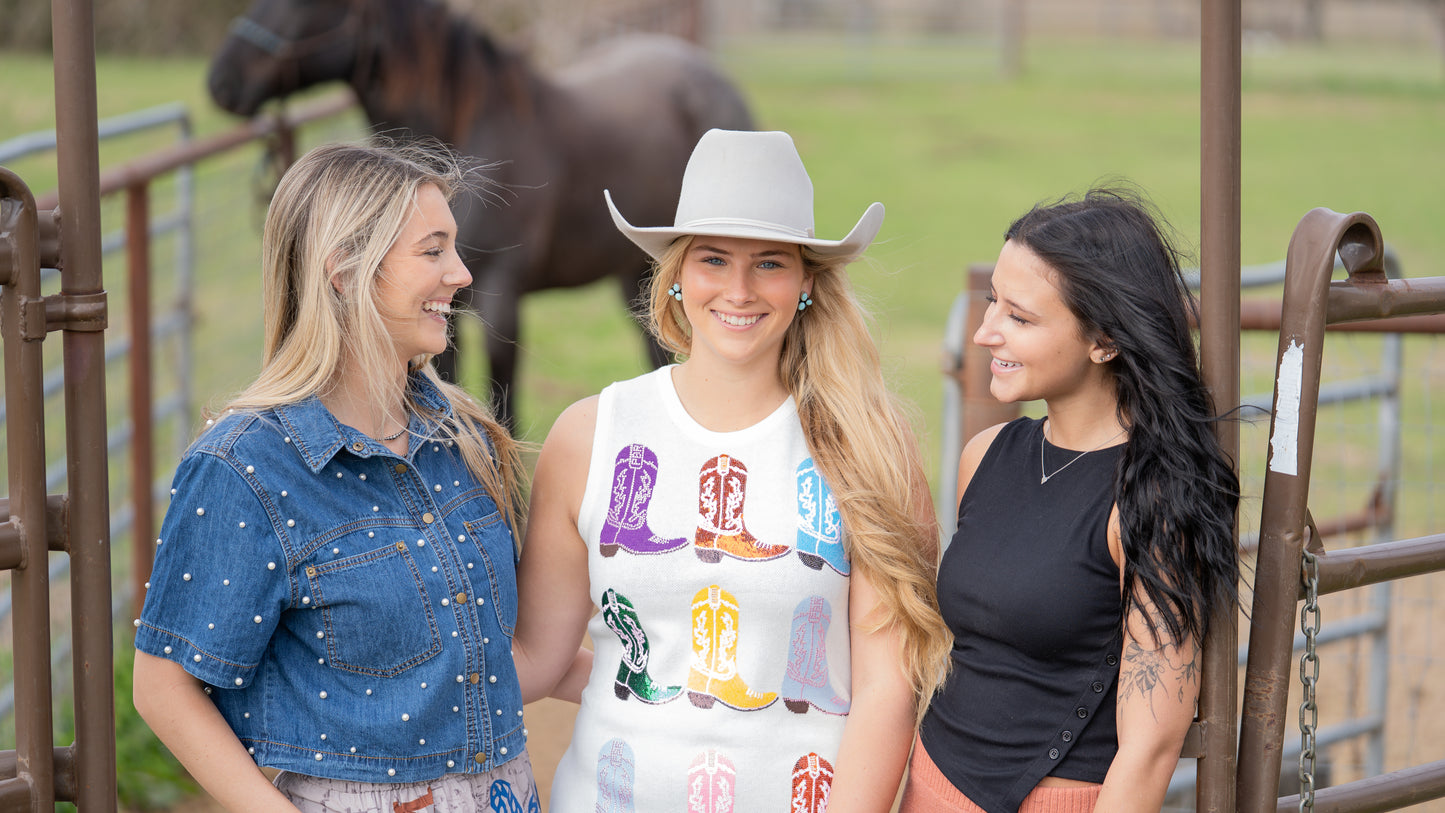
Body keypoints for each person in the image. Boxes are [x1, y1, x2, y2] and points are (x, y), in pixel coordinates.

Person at [511, 128, 952, 811]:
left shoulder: (865, 441)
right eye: (713, 259)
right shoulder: (591, 433)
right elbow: (538, 658)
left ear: (806, 281)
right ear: (677, 275)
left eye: (770, 263)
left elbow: (886, 689)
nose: (739, 290)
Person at [132, 141, 553, 813]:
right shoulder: (243, 466)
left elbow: (490, 655)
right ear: (345, 269)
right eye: (433, 250)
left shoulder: (465, 439)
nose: (462, 273)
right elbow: (162, 684)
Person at [901, 188, 1240, 813]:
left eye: (1019, 318)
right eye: (991, 302)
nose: (984, 333)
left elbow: (1150, 749)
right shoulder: (987, 454)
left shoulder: (1152, 500)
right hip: (929, 786)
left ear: (1105, 340)